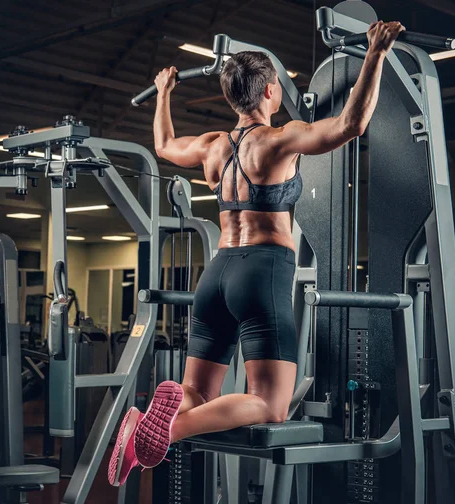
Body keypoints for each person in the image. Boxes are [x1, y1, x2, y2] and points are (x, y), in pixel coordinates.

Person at [108, 20, 405, 485]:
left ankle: (157, 416)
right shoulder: (278, 141)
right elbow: (352, 124)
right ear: (270, 91)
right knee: (270, 403)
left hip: (216, 275)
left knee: (196, 390)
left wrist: (164, 91)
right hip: (262, 274)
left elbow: (164, 145)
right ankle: (163, 429)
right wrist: (376, 54)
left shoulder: (212, 146)